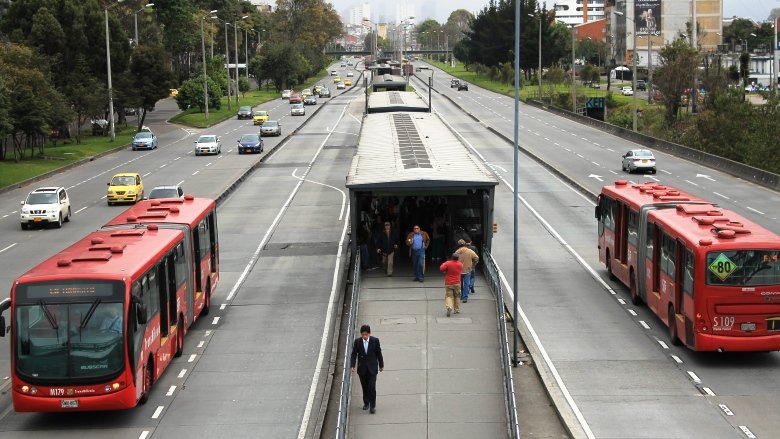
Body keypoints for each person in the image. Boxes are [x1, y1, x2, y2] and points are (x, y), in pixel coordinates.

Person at [350, 324, 384, 414]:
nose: (364, 336)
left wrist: (381, 365)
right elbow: (354, 354)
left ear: (369, 334)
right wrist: (352, 365)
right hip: (362, 369)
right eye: (363, 335)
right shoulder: (357, 342)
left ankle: (372, 406)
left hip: (372, 368)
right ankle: (366, 403)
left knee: (372, 387)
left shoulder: (375, 341)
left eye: (366, 334)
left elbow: (378, 353)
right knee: (364, 387)